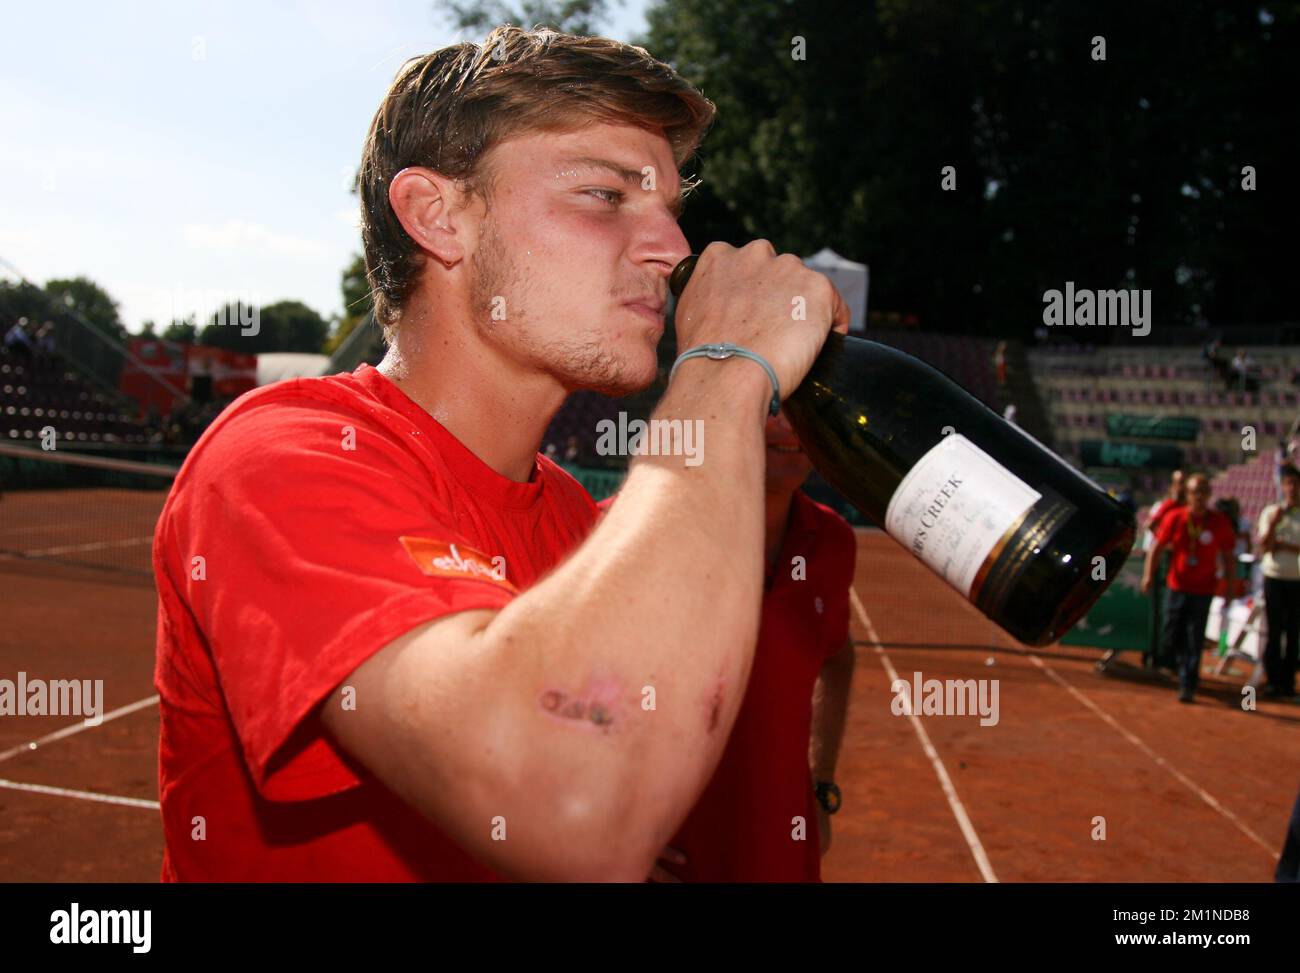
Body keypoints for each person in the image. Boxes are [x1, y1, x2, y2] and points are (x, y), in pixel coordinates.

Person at [152, 25, 850, 882]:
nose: (671, 247)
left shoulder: (572, 521)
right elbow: (567, 802)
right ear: (437, 217)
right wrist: (724, 371)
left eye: (669, 206)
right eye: (604, 195)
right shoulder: (278, 458)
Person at [614, 408, 857, 881]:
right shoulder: (626, 532)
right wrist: (601, 832)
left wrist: (820, 786)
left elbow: (839, 658)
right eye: (770, 408)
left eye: (803, 408)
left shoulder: (833, 542)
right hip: (675, 853)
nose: (791, 426)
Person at [1141, 474, 1237, 703]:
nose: (1200, 497)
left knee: (1194, 636)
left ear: (1209, 495)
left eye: (1204, 492)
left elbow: (1228, 556)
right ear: (1188, 494)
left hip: (1203, 589)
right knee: (1170, 633)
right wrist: (1148, 575)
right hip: (1177, 586)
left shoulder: (1219, 522)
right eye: (1195, 492)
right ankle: (1177, 665)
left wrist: (1230, 586)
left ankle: (1188, 684)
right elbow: (1157, 547)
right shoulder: (1176, 517)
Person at [1257, 465, 1300, 699]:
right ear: (1283, 487)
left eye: (1296, 484)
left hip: (1297, 580)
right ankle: (1272, 680)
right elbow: (1265, 546)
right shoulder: (1271, 512)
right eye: (1289, 484)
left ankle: (1288, 682)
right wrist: (1275, 523)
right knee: (1273, 631)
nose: (1292, 489)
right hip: (1274, 577)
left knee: (1293, 632)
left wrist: (1284, 546)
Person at [1141, 469, 1186, 669]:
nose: (1182, 487)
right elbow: (1151, 525)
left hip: (1183, 567)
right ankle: (1155, 654)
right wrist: (1166, 542)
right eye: (1179, 482)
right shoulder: (1167, 506)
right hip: (1165, 565)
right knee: (1162, 611)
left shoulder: (1192, 508)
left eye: (1185, 482)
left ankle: (1172, 657)